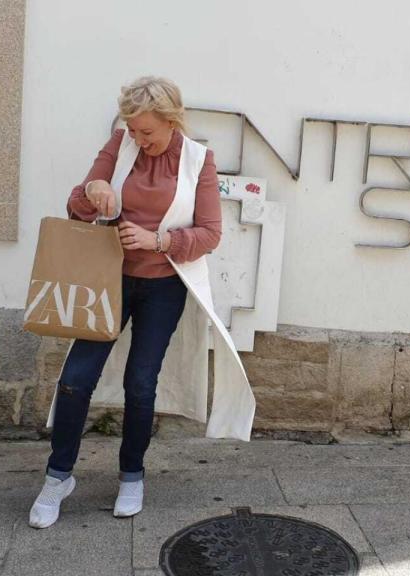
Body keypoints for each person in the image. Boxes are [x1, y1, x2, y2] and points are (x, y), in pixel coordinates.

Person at [28, 76, 253, 529]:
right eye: (132, 131)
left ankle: (132, 475)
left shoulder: (198, 161)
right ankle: (58, 478)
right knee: (75, 379)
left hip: (163, 286)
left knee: (140, 383)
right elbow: (77, 204)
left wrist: (160, 239)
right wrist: (93, 193)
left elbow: (210, 233)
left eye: (147, 132)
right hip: (106, 279)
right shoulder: (120, 143)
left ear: (172, 122)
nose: (138, 139)